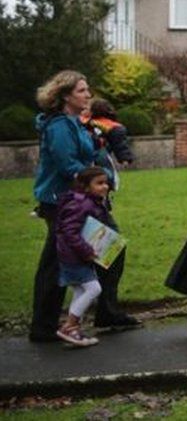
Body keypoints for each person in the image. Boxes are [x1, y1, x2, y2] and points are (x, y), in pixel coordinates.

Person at [29, 71, 139, 343]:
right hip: (62, 202)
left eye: (87, 90)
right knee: (55, 264)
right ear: (66, 96)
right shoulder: (58, 127)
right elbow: (68, 166)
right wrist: (100, 180)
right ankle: (42, 327)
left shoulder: (75, 123)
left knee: (111, 248)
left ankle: (106, 312)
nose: (88, 95)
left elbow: (89, 154)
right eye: (81, 91)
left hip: (82, 200)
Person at [54, 167, 113, 347]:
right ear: (86, 187)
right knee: (94, 289)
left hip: (75, 255)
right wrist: (86, 251)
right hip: (74, 257)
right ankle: (69, 325)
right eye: (99, 183)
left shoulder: (90, 201)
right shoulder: (82, 204)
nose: (105, 187)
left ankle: (73, 332)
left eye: (106, 183)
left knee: (80, 291)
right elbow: (70, 232)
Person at [83, 98, 135, 190]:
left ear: (93, 111)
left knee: (103, 170)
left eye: (87, 108)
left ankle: (108, 183)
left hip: (99, 152)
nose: (83, 109)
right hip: (94, 152)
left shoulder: (105, 125)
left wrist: (124, 158)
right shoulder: (86, 122)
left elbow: (119, 143)